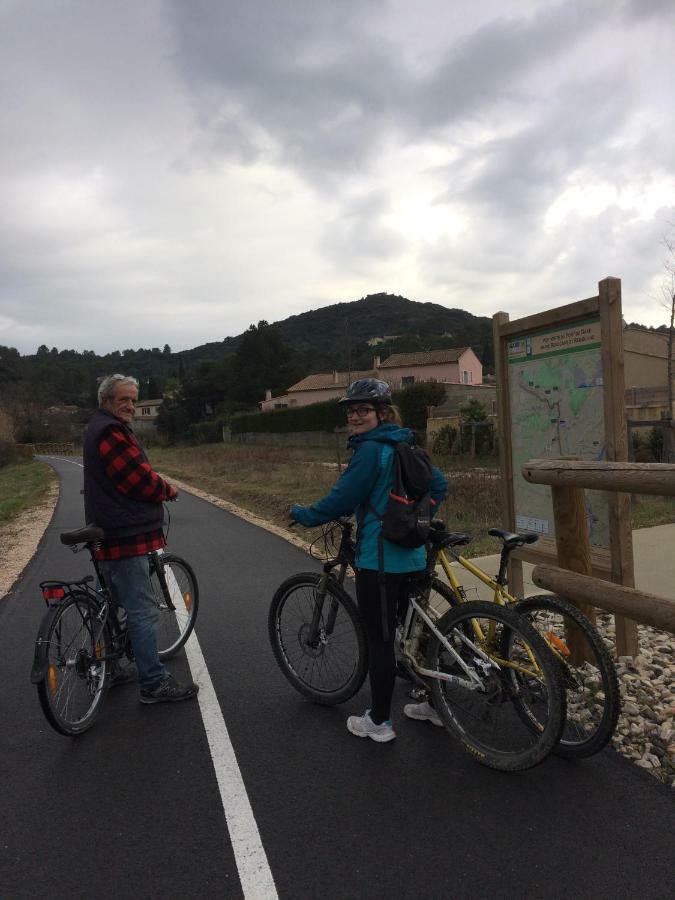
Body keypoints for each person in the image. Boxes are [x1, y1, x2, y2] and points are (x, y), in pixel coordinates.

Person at [291, 378, 448, 742]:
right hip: (413, 555)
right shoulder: (406, 444)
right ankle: (437, 704)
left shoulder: (371, 451)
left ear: (381, 413)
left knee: (380, 640)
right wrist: (417, 519)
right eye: (351, 411)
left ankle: (379, 721)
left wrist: (304, 514)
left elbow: (341, 500)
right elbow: (437, 486)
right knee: (416, 632)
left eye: (363, 410)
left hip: (379, 562)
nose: (355, 417)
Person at [83, 373, 199, 704]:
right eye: (124, 399)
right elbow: (137, 478)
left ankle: (114, 666)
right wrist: (168, 490)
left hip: (108, 528)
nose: (131, 405)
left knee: (111, 601)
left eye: (134, 400)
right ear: (106, 401)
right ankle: (153, 683)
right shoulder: (111, 433)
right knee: (142, 610)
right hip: (125, 532)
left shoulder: (99, 428)